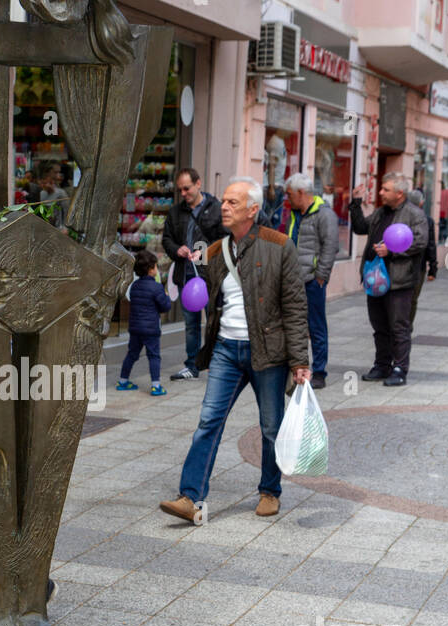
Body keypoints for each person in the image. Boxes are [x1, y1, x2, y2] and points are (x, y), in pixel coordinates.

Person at [159, 176, 310, 525]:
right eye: (224, 201)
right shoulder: (215, 251)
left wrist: (300, 360)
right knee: (209, 420)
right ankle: (190, 496)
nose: (224, 207)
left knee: (270, 426)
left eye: (232, 203)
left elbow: (295, 306)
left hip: (267, 351)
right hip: (226, 350)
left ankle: (270, 490)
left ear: (253, 210)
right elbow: (208, 301)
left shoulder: (280, 245)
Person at [350, 173, 428, 387]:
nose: (381, 192)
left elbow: (420, 243)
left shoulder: (415, 215)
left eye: (385, 189)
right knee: (380, 327)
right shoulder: (381, 212)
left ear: (399, 193)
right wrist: (355, 204)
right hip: (374, 279)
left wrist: (392, 251)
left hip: (399, 282)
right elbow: (360, 228)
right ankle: (382, 364)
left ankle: (399, 368)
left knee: (399, 327)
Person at [161, 167, 223, 380]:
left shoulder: (217, 209)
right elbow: (166, 239)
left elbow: (225, 240)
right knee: (191, 323)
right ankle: (192, 365)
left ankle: (217, 363)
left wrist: (204, 251)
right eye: (180, 190)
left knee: (214, 321)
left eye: (187, 188)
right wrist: (176, 249)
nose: (183, 194)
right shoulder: (176, 211)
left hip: (211, 276)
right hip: (186, 276)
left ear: (198, 184)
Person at [284, 173, 339, 390]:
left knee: (316, 327)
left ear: (301, 193)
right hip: (293, 279)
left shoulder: (324, 214)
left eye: (289, 194)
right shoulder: (295, 213)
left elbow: (330, 246)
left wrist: (321, 276)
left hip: (312, 280)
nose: (287, 198)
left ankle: (320, 372)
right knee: (294, 326)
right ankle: (297, 368)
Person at [117, 249, 172, 396]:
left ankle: (122, 381)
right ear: (150, 270)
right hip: (151, 329)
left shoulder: (135, 286)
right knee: (154, 356)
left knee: (132, 354)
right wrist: (166, 296)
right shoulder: (157, 287)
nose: (157, 269)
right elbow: (165, 307)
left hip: (135, 328)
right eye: (155, 266)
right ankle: (156, 386)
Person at [409, 188, 437, 323]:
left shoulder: (401, 217)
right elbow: (431, 245)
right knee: (413, 298)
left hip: (403, 263)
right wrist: (433, 268)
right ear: (421, 203)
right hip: (418, 266)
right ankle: (406, 327)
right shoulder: (427, 220)